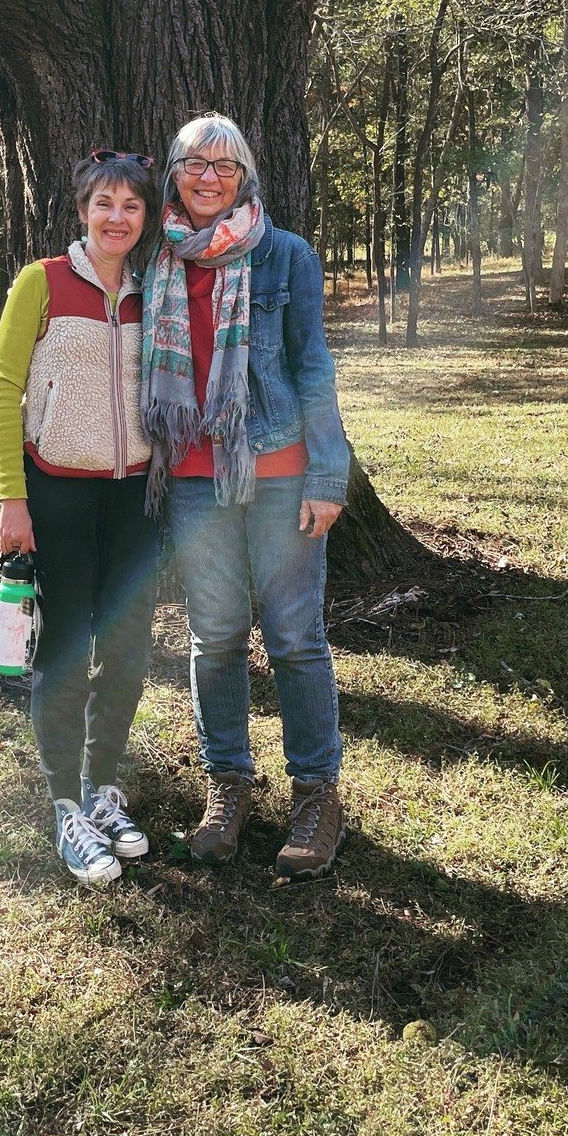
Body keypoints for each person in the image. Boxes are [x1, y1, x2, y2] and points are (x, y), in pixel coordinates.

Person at [143, 114, 351, 878]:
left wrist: (327, 475)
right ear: (173, 174)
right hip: (194, 481)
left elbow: (313, 366)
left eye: (224, 165)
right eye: (194, 163)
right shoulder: (153, 258)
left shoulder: (285, 254)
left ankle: (316, 795)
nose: (209, 177)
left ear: (245, 177)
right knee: (217, 636)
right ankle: (226, 787)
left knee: (295, 636)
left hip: (281, 473)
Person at [0, 150, 162, 887]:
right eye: (104, 204)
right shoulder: (43, 281)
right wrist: (13, 497)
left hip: (137, 498)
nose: (116, 218)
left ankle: (103, 789)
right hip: (56, 490)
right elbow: (4, 389)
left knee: (126, 646)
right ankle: (64, 806)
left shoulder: (157, 290)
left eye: (131, 206)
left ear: (146, 218)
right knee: (64, 647)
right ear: (83, 210)